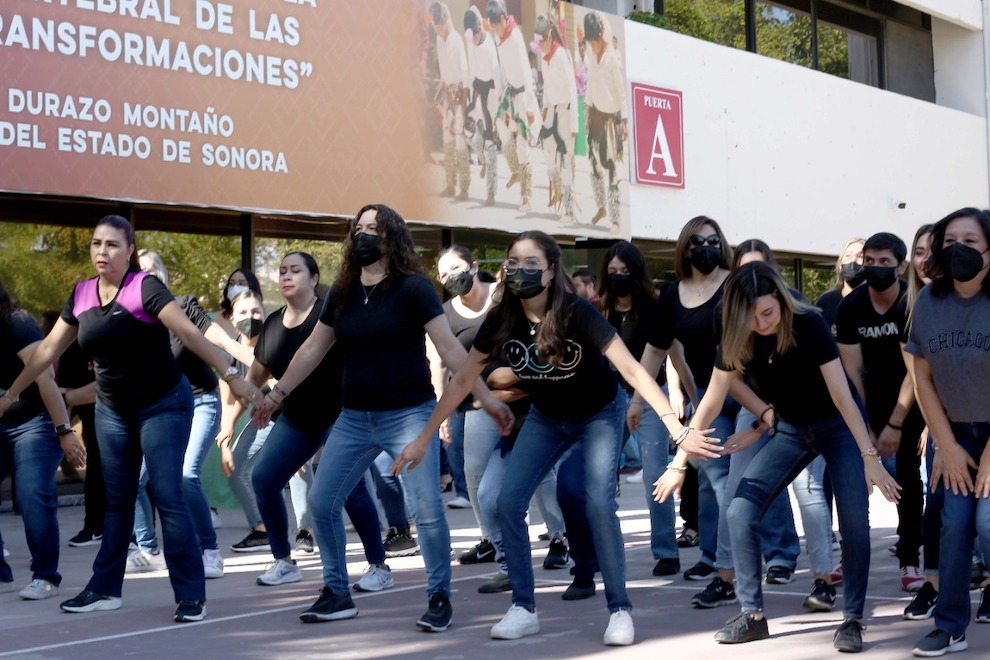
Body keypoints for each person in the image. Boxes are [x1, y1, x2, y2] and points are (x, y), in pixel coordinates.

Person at [394, 230, 718, 647]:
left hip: (599, 414)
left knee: (598, 503)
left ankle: (619, 609)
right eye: (513, 262)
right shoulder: (501, 318)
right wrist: (424, 438)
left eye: (532, 264)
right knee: (507, 501)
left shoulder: (578, 313)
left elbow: (635, 371)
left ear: (551, 272)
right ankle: (524, 608)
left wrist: (677, 428)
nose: (520, 271)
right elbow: (462, 382)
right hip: (547, 418)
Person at [252, 203, 507, 630]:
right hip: (353, 417)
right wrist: (276, 395)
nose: (364, 235)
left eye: (374, 229)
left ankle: (439, 597)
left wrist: (487, 397)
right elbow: (313, 349)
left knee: (427, 509)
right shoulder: (343, 291)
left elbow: (450, 350)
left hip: (409, 413)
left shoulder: (414, 288)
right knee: (321, 501)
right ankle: (337, 593)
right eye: (359, 229)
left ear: (391, 237)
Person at [0, 215, 260, 623]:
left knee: (168, 495)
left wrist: (230, 374)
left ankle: (191, 594)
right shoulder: (82, 294)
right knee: (117, 500)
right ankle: (104, 588)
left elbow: (192, 335)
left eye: (112, 245)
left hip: (163, 404)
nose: (101, 252)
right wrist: (13, 392)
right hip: (113, 411)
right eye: (96, 244)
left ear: (130, 250)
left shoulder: (145, 288)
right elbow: (47, 351)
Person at [655, 261, 899, 653]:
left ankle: (852, 619)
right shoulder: (735, 333)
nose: (762, 322)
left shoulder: (809, 323)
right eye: (751, 316)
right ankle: (752, 616)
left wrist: (869, 456)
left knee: (855, 521)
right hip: (789, 429)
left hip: (837, 428)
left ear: (781, 303)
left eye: (768, 312)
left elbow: (842, 395)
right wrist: (678, 463)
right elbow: (713, 400)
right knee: (739, 512)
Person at [225, 252, 390, 591]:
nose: (286, 275)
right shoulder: (272, 324)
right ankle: (284, 561)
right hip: (298, 420)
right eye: (282, 270)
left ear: (314, 279)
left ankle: (378, 566)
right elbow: (254, 377)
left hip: (342, 417)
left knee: (350, 488)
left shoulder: (332, 314)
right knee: (264, 479)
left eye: (295, 270)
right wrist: (229, 424)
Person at [630, 216, 741, 585]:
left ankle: (774, 554)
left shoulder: (736, 285)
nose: (705, 247)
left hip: (750, 395)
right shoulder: (671, 294)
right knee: (714, 479)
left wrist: (678, 459)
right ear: (684, 248)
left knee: (738, 478)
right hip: (708, 398)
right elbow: (653, 353)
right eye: (696, 241)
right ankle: (713, 556)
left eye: (712, 240)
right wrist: (636, 400)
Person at [906, 208, 990, 657]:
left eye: (972, 242)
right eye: (951, 240)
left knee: (988, 522)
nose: (960, 250)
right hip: (954, 432)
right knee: (954, 525)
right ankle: (950, 626)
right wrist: (946, 444)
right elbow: (922, 379)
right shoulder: (928, 303)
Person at [836, 232, 926, 593]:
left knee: (907, 479)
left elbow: (916, 372)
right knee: (855, 480)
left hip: (912, 397)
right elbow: (854, 373)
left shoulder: (911, 301)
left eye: (883, 262)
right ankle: (851, 556)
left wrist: (894, 424)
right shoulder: (850, 307)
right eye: (868, 261)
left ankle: (910, 558)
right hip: (867, 399)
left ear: (901, 266)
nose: (873, 269)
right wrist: (869, 426)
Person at [595, 240, 682, 577]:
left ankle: (665, 551)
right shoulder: (599, 309)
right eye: (612, 271)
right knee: (600, 479)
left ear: (637, 272)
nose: (618, 277)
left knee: (654, 475)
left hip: (647, 394)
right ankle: (605, 550)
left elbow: (663, 356)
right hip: (606, 397)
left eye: (624, 271)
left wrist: (671, 393)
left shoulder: (653, 307)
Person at [0, 280, 86, 600]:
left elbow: (45, 375)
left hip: (35, 422)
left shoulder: (16, 322)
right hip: (3, 424)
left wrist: (64, 431)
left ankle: (46, 576)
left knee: (31, 493)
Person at [488, 0, 538, 213]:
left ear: (502, 19)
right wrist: (501, 97)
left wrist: (527, 106)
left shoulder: (515, 36)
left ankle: (526, 197)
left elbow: (526, 72)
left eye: (497, 26)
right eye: (493, 28)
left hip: (523, 96)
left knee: (523, 146)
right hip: (509, 93)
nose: (496, 31)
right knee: (500, 125)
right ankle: (515, 170)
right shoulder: (498, 38)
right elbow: (500, 69)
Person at [583, 11, 626, 234]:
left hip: (611, 119)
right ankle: (601, 207)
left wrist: (625, 120)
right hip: (596, 115)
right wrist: (588, 113)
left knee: (611, 168)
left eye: (594, 41)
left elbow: (621, 91)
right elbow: (590, 83)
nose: (592, 45)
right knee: (592, 163)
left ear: (600, 35)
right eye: (589, 42)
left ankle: (616, 219)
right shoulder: (591, 53)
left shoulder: (612, 56)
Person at [535, 14, 578, 224]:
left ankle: (568, 209)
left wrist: (574, 124)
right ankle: (557, 193)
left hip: (566, 110)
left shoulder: (561, 55)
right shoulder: (545, 59)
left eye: (542, 41)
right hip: (551, 109)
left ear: (549, 36)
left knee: (565, 160)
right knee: (547, 152)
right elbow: (547, 89)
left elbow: (572, 89)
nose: (540, 45)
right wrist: (544, 108)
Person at [430, 2, 470, 201]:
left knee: (460, 141)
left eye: (438, 24)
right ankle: (450, 184)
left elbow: (464, 73)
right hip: (446, 94)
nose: (437, 28)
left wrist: (462, 104)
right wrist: (445, 92)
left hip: (459, 94)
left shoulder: (457, 40)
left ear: (445, 20)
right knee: (447, 140)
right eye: (435, 25)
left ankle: (464, 187)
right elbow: (442, 69)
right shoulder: (439, 39)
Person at [463, 5, 501, 206]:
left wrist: (494, 112)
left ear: (480, 30)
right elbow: (470, 70)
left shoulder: (489, 45)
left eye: (476, 38)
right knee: (467, 130)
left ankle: (491, 191)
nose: (474, 42)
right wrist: (470, 98)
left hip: (491, 92)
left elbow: (496, 75)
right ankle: (482, 159)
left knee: (490, 142)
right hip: (477, 89)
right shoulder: (470, 40)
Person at [816, 238, 866, 336]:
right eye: (848, 255)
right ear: (839, 266)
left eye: (860, 256)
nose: (853, 261)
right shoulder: (827, 302)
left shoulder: (879, 303)